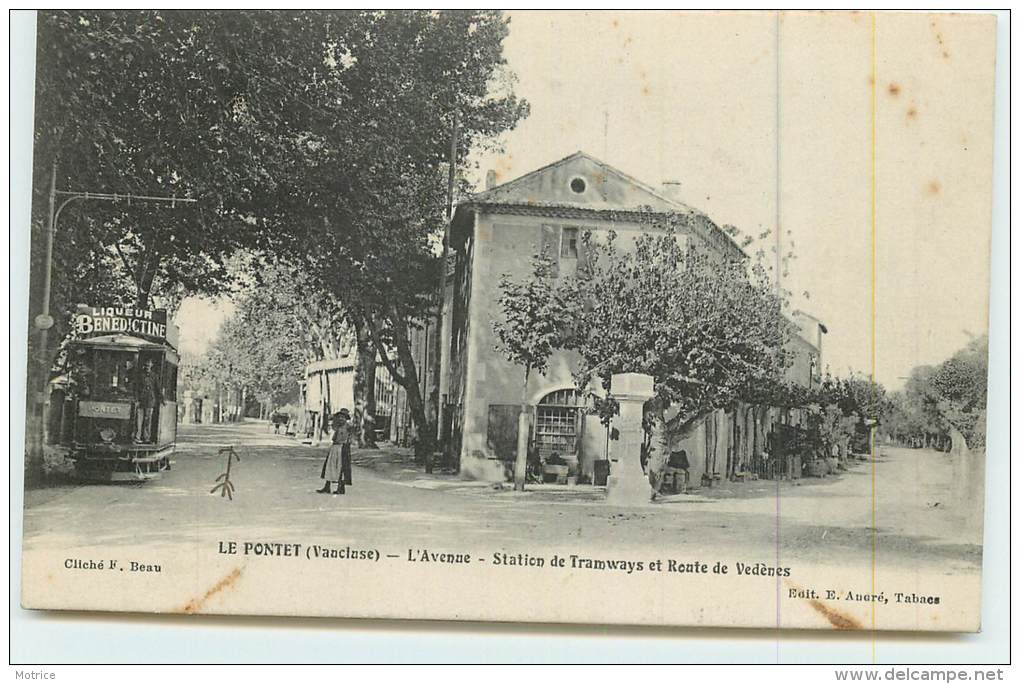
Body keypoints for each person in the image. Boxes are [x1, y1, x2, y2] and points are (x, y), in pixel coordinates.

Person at [318, 409, 353, 495]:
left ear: (346, 418)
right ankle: (327, 486)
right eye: (339, 417)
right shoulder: (336, 426)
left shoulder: (348, 427)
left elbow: (351, 436)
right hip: (334, 447)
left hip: (342, 448)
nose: (341, 418)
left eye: (343, 417)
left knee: (340, 468)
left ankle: (341, 488)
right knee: (330, 466)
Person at [135, 358, 162, 443]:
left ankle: (146, 437)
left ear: (151, 365)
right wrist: (137, 399)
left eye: (149, 364)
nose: (147, 366)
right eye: (146, 364)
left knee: (148, 420)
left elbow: (157, 388)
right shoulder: (140, 376)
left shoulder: (154, 376)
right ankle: (137, 437)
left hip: (150, 400)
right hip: (141, 400)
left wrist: (162, 399)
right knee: (139, 420)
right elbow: (136, 388)